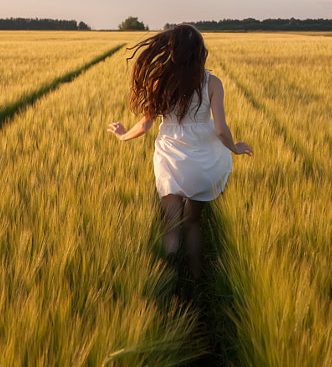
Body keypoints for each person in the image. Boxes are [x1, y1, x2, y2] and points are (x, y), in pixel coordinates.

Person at [107, 24, 252, 286]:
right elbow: (221, 129)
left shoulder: (159, 81)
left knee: (170, 223)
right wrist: (235, 148)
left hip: (170, 161)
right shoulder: (212, 83)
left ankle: (171, 284)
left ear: (171, 50)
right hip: (204, 162)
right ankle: (195, 280)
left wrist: (122, 135)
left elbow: (145, 125)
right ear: (200, 53)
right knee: (192, 223)